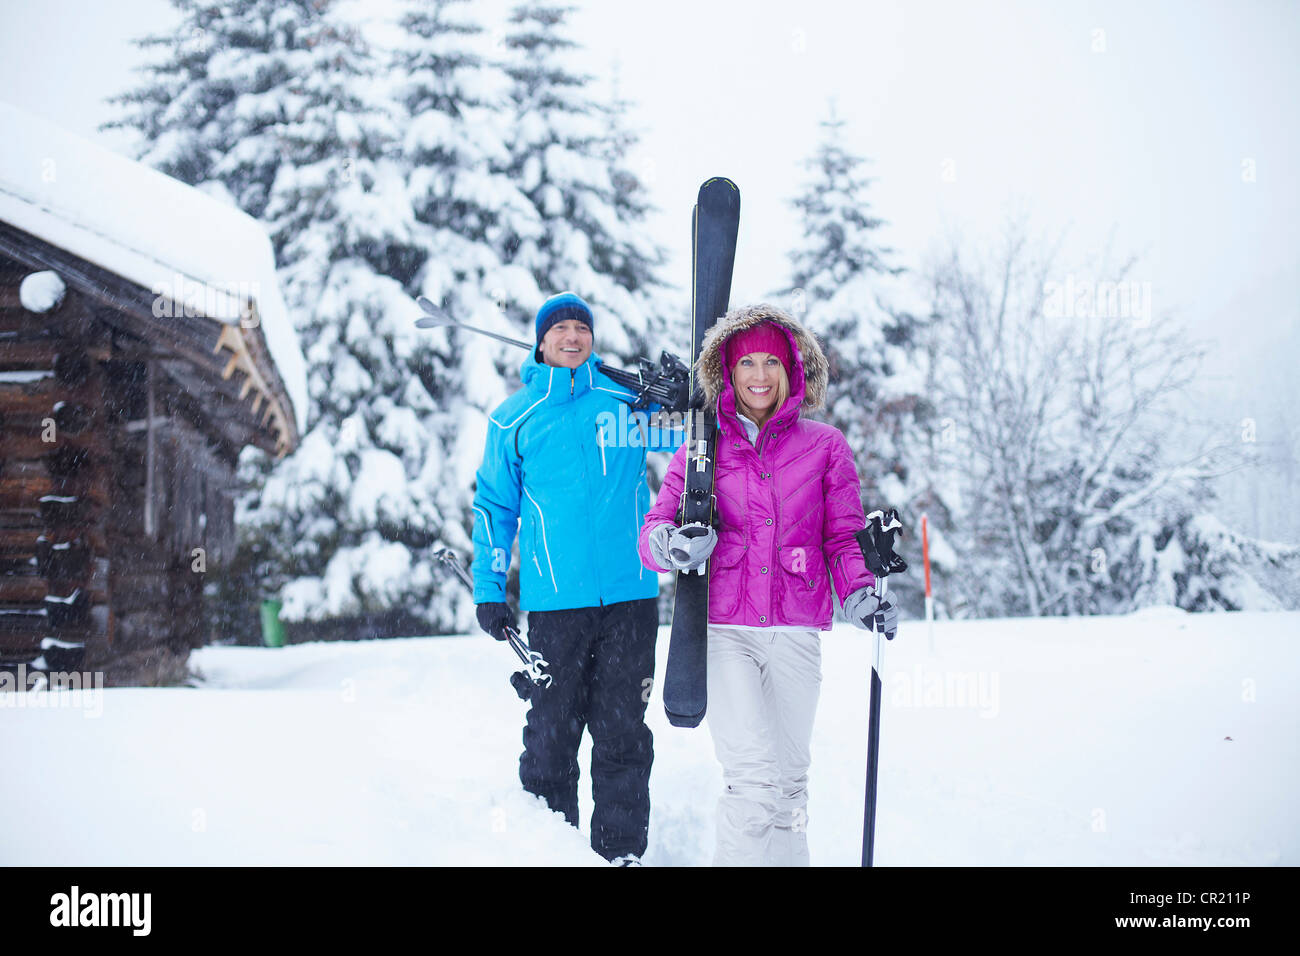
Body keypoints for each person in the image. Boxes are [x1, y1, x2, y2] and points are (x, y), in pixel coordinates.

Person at [637, 303, 898, 866]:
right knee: (753, 782)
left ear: (792, 371)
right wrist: (673, 546)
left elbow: (844, 536)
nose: (759, 375)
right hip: (725, 631)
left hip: (797, 633)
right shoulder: (702, 448)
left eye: (771, 363)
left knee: (788, 786)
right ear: (727, 374)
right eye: (747, 363)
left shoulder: (825, 446)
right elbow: (654, 529)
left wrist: (858, 594)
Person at [471, 291, 682, 865]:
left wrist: (685, 398)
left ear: (592, 339)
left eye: (581, 328)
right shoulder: (514, 419)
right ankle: (552, 852)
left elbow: (694, 441)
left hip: (631, 597)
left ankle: (621, 855)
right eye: (559, 328)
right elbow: (494, 509)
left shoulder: (625, 406)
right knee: (551, 733)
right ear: (541, 342)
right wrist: (491, 590)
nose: (571, 336)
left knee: (622, 734)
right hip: (555, 603)